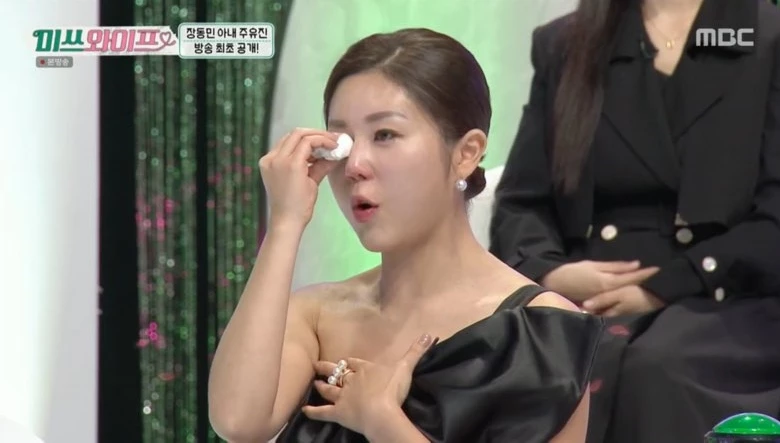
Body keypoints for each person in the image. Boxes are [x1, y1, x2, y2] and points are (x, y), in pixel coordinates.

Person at [208, 28, 602, 443]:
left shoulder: (540, 332)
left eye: (385, 135)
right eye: (342, 143)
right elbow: (238, 422)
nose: (354, 166)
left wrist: (384, 424)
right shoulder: (316, 315)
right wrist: (285, 223)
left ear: (466, 153)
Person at [489, 0, 780, 442]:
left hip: (730, 295)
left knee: (655, 367)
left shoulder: (768, 38)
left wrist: (666, 286)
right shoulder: (566, 44)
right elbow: (521, 203)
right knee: (537, 364)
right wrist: (552, 274)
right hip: (587, 299)